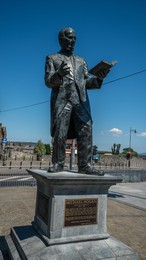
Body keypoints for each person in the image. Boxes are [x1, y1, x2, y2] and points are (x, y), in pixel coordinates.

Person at [45, 27, 108, 174]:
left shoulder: (81, 60)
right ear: (61, 39)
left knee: (86, 131)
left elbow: (86, 82)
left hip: (81, 102)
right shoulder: (52, 58)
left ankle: (85, 166)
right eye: (69, 37)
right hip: (63, 102)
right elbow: (48, 82)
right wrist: (59, 74)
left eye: (74, 38)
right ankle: (58, 164)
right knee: (60, 133)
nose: (72, 41)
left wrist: (99, 78)